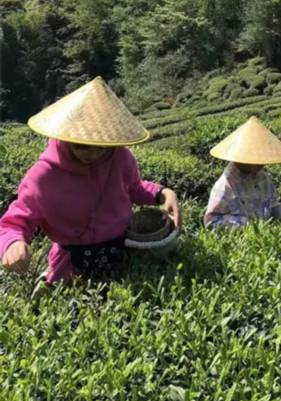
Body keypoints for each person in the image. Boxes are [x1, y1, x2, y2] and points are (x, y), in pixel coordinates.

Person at [0, 77, 180, 284]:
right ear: (65, 137)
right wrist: (12, 243)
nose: (92, 153)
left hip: (123, 251)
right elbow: (16, 221)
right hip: (72, 263)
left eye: (101, 145)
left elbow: (133, 188)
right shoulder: (43, 176)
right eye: (82, 146)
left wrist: (162, 193)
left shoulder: (121, 157)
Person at [204, 116, 281, 230]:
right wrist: (246, 224)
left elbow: (272, 207)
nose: (258, 165)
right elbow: (211, 221)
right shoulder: (225, 186)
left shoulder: (263, 178)